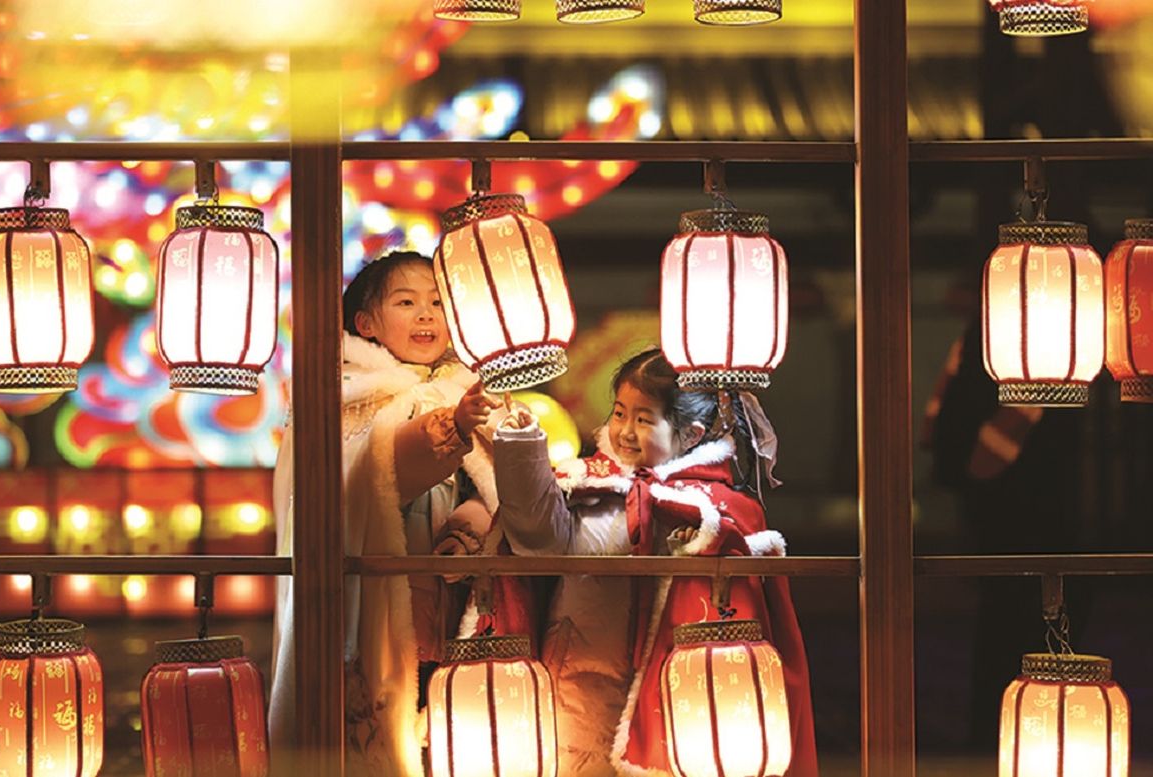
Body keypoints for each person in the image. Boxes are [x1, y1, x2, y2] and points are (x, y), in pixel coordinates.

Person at [493, 348, 818, 777]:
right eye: (620, 413)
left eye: (644, 419)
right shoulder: (586, 483)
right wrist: (522, 449)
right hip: (578, 661)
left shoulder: (715, 509)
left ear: (691, 434)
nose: (625, 431)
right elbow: (537, 538)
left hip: (670, 680)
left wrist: (705, 544)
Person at [269, 250, 501, 775]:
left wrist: (471, 523)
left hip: (451, 593)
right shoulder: (341, 395)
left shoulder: (463, 391)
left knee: (447, 726)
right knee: (385, 722)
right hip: (375, 597)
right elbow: (358, 484)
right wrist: (451, 428)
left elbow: (493, 492)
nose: (427, 314)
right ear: (366, 323)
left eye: (439, 302)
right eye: (407, 301)